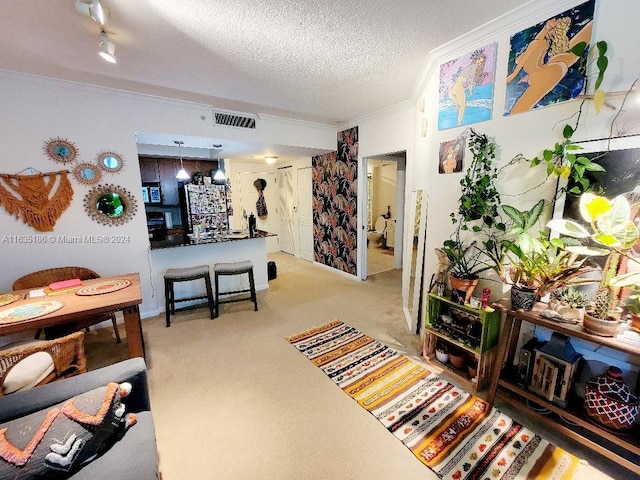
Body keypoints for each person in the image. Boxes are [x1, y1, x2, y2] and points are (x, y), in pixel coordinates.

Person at [506, 16, 593, 115]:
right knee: (572, 53)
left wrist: (513, 75)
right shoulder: (546, 49)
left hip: (546, 72)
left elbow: (521, 59)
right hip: (551, 69)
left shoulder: (537, 45)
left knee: (517, 111)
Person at [448, 53, 486, 126]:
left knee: (461, 104)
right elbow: (471, 77)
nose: (479, 63)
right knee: (463, 106)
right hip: (458, 86)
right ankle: (459, 123)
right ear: (476, 59)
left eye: (481, 62)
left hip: (455, 86)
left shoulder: (470, 66)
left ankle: (457, 106)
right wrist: (471, 90)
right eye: (479, 60)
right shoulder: (474, 66)